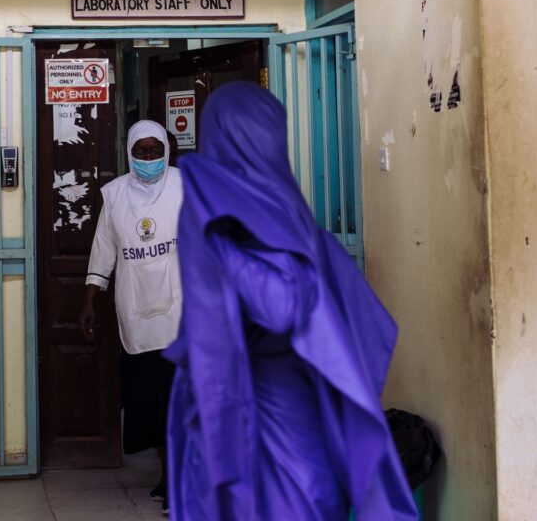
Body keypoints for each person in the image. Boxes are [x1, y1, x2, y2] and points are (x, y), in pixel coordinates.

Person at [164, 82, 417, 521]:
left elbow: (282, 305)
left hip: (274, 418)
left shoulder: (257, 213)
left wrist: (217, 242)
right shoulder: (276, 205)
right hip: (262, 405)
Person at [79, 120, 183, 515]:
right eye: (142, 152)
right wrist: (90, 300)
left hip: (183, 316)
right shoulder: (116, 196)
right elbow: (103, 251)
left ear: (167, 152)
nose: (149, 158)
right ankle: (169, 474)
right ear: (130, 153)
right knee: (152, 405)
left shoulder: (186, 187)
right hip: (138, 317)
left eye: (156, 151)